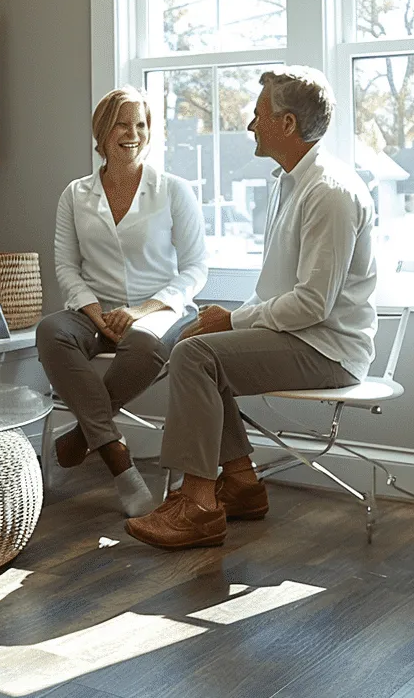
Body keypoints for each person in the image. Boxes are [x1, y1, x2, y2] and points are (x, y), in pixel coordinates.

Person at [126, 66, 376, 550]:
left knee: (197, 357)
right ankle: (239, 483)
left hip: (329, 349)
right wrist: (223, 324)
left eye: (258, 114)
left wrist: (234, 320)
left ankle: (197, 506)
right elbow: (283, 291)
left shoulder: (329, 192)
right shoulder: (292, 182)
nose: (250, 124)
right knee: (198, 344)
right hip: (302, 336)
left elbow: (313, 304)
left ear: (286, 124)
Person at [36, 87, 206, 516]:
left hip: (161, 312)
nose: (133, 134)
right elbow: (66, 268)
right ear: (102, 132)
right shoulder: (75, 194)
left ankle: (84, 437)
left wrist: (141, 311)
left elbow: (195, 269)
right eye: (122, 124)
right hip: (95, 311)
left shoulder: (173, 190)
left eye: (141, 125)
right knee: (51, 330)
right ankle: (120, 462)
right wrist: (95, 312)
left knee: (144, 344)